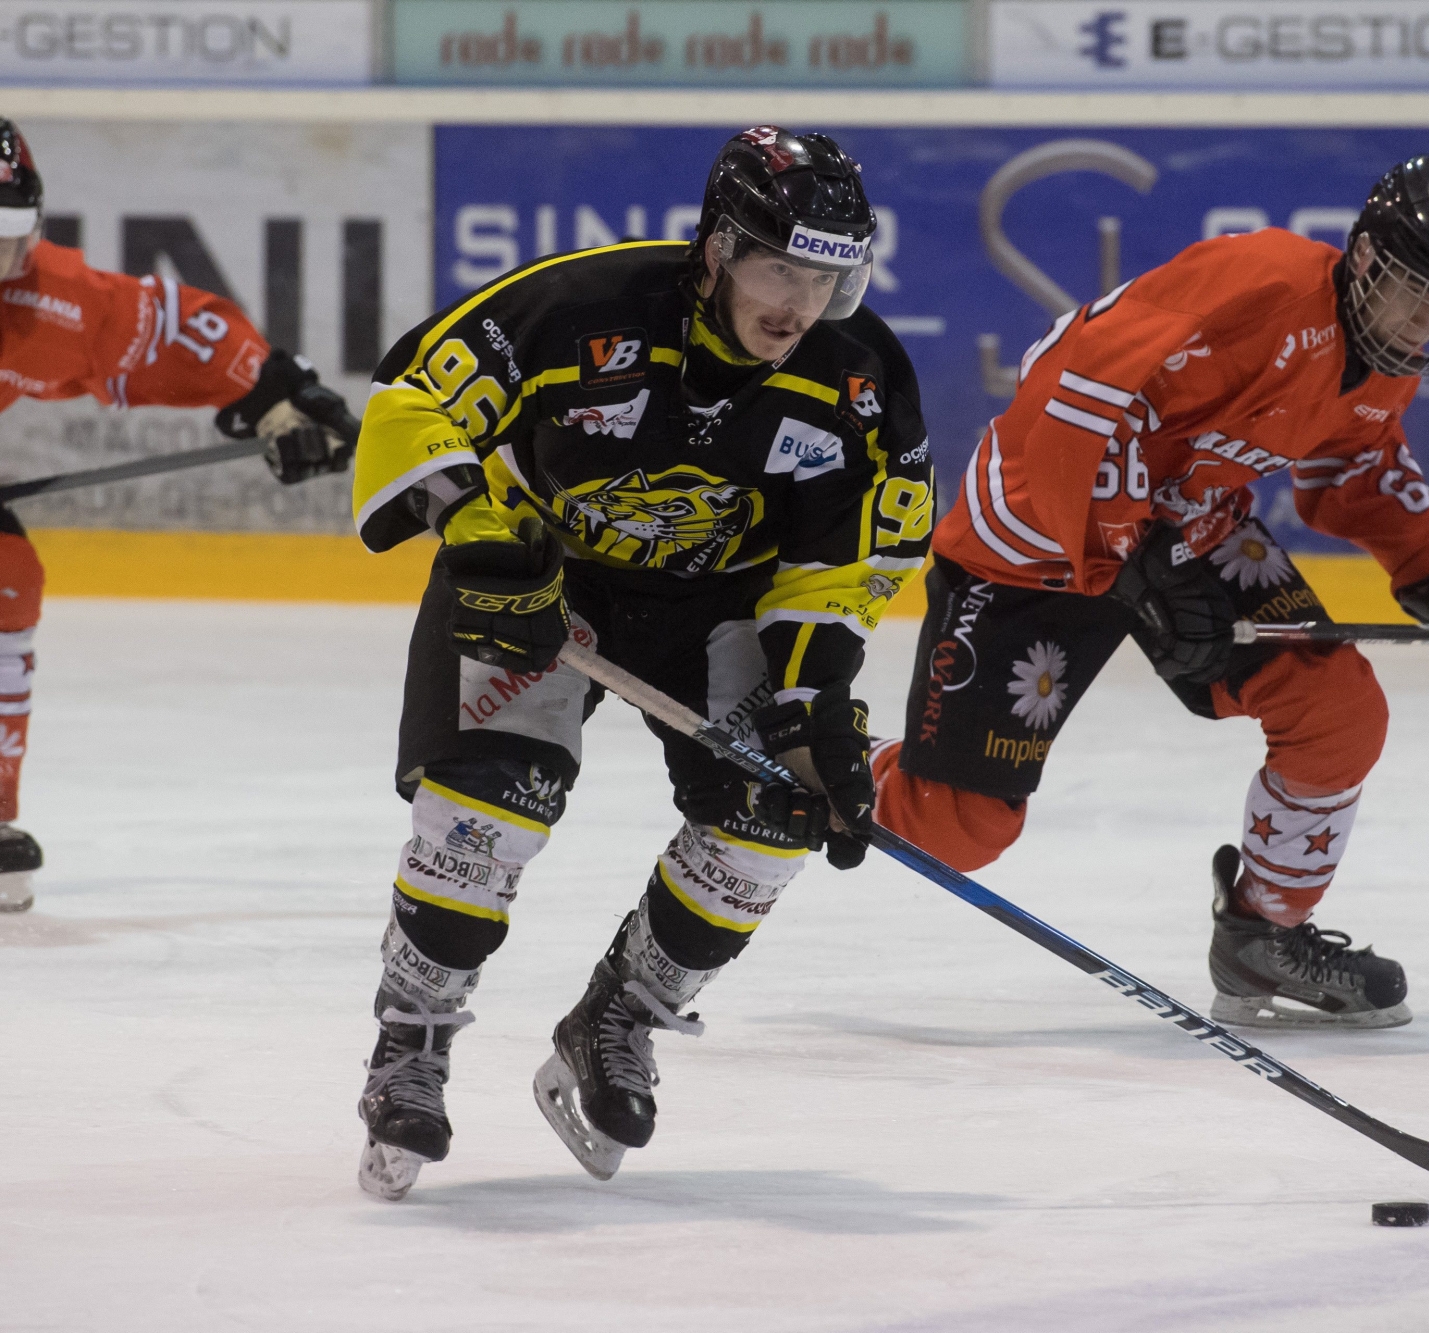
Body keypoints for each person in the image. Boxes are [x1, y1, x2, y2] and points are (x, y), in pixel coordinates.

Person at [346, 125, 933, 1201]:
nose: (797, 304)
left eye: (826, 277)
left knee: (770, 819)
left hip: (714, 607)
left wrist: (812, 706)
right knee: (491, 808)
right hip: (537, 583)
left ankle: (619, 1016)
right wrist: (477, 534)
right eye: (778, 267)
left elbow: (842, 563)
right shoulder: (580, 308)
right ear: (715, 249)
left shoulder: (854, 383)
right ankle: (413, 1040)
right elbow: (411, 401)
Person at [872, 155, 1429, 1030]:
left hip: (1189, 528)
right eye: (1415, 287)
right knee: (954, 830)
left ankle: (1263, 932)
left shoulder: (1390, 354)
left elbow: (1353, 462)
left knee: (1338, 711)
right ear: (1365, 259)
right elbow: (1071, 393)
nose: (1427, 317)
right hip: (1038, 537)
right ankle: (826, 766)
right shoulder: (1260, 284)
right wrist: (1127, 560)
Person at [0, 118, 358, 914]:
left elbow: (174, 327)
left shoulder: (44, 304)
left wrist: (272, 395)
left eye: (4, 237)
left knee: (5, 577)